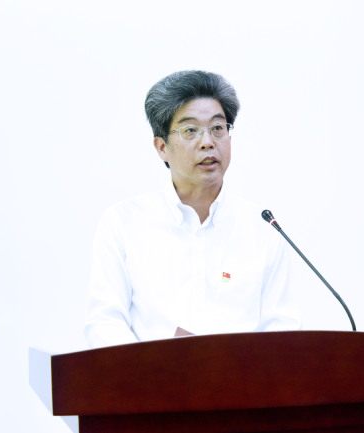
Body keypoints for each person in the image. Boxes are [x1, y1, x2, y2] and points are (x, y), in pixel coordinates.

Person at [84, 70, 300, 349]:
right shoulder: (123, 223)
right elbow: (104, 323)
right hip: (150, 376)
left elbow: (282, 328)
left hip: (241, 377)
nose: (208, 141)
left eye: (218, 128)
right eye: (190, 130)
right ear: (162, 147)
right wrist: (149, 367)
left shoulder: (264, 228)